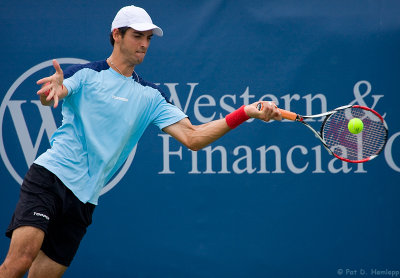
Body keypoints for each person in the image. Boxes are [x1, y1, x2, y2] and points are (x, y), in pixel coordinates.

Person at [0, 5, 281, 278]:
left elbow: (193, 138)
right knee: (19, 261)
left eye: (148, 38)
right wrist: (52, 91)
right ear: (116, 35)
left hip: (85, 199)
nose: (144, 44)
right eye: (137, 36)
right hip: (50, 178)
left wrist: (244, 113)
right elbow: (53, 93)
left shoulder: (151, 96)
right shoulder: (86, 75)